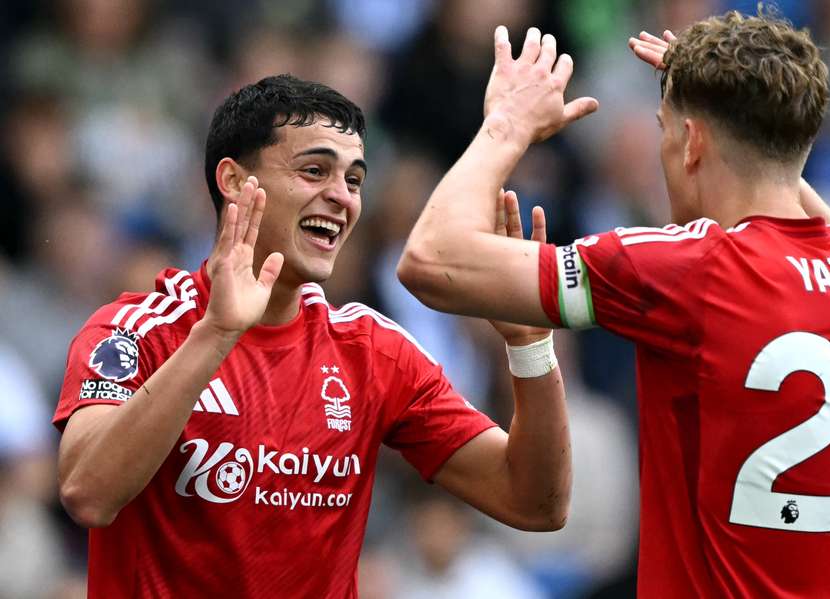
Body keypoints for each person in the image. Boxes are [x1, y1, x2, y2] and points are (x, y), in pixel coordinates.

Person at [397, 13, 830, 598]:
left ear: (691, 143)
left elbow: (430, 258)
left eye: (666, 128)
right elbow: (806, 214)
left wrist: (506, 125)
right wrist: (740, 107)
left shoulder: (689, 268)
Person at [54, 75, 572, 598]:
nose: (340, 198)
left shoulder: (372, 352)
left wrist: (530, 346)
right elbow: (88, 494)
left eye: (353, 180)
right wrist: (218, 332)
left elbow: (534, 502)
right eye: (314, 171)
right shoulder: (136, 331)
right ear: (233, 181)